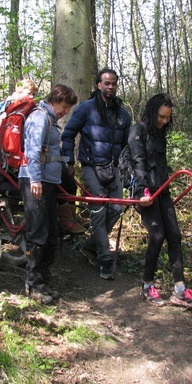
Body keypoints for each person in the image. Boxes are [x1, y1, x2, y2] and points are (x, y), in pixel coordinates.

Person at [127, 94, 192, 309]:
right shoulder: (137, 131)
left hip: (163, 190)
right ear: (152, 112)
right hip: (145, 192)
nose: (164, 121)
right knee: (157, 236)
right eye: (161, 117)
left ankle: (179, 288)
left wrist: (163, 187)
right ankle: (147, 284)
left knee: (175, 236)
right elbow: (138, 162)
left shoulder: (161, 135)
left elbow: (160, 163)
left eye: (168, 118)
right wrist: (143, 191)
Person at [61, 68, 132, 280]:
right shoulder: (86, 109)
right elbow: (68, 135)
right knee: (99, 211)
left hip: (114, 167)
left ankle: (91, 245)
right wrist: (69, 161)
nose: (110, 87)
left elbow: (127, 145)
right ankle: (105, 259)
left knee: (117, 209)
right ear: (98, 85)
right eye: (106, 83)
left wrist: (129, 169)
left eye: (114, 84)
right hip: (91, 166)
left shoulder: (123, 113)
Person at [19, 84, 78, 303]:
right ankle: (33, 284)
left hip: (49, 181)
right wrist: (35, 179)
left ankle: (43, 279)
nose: (66, 112)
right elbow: (33, 150)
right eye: (64, 107)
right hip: (35, 180)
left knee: (52, 233)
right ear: (54, 101)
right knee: (38, 233)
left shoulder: (51, 120)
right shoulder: (40, 117)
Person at [0, 79, 39, 153]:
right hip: (0, 152)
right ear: (19, 92)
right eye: (29, 93)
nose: (32, 96)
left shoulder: (28, 109)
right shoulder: (3, 107)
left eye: (33, 94)